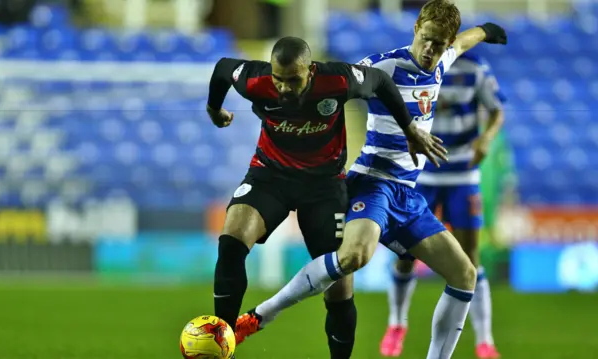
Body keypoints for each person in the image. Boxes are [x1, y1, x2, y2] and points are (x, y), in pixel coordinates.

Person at [234, 1, 508, 358]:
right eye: (426, 39)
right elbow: (331, 78)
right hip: (372, 182)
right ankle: (260, 316)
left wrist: (487, 30)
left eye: (439, 43)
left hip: (407, 196)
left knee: (464, 276)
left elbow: (465, 42)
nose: (431, 50)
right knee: (354, 257)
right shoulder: (383, 65)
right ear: (415, 30)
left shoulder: (443, 60)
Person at [207, 36, 445, 359]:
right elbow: (223, 69)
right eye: (279, 80)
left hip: (323, 186)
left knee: (338, 287)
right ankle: (222, 347)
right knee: (232, 238)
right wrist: (214, 108)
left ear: (310, 70)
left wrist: (409, 129)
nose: (285, 88)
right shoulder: (255, 79)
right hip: (270, 175)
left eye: (293, 80)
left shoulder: (337, 80)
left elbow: (380, 81)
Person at [381, 52, 506, 359]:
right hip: (421, 174)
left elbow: (496, 110)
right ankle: (397, 323)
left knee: (471, 258)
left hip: (463, 172)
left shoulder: (475, 67)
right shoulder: (411, 68)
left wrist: (487, 138)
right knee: (405, 255)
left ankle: (485, 340)